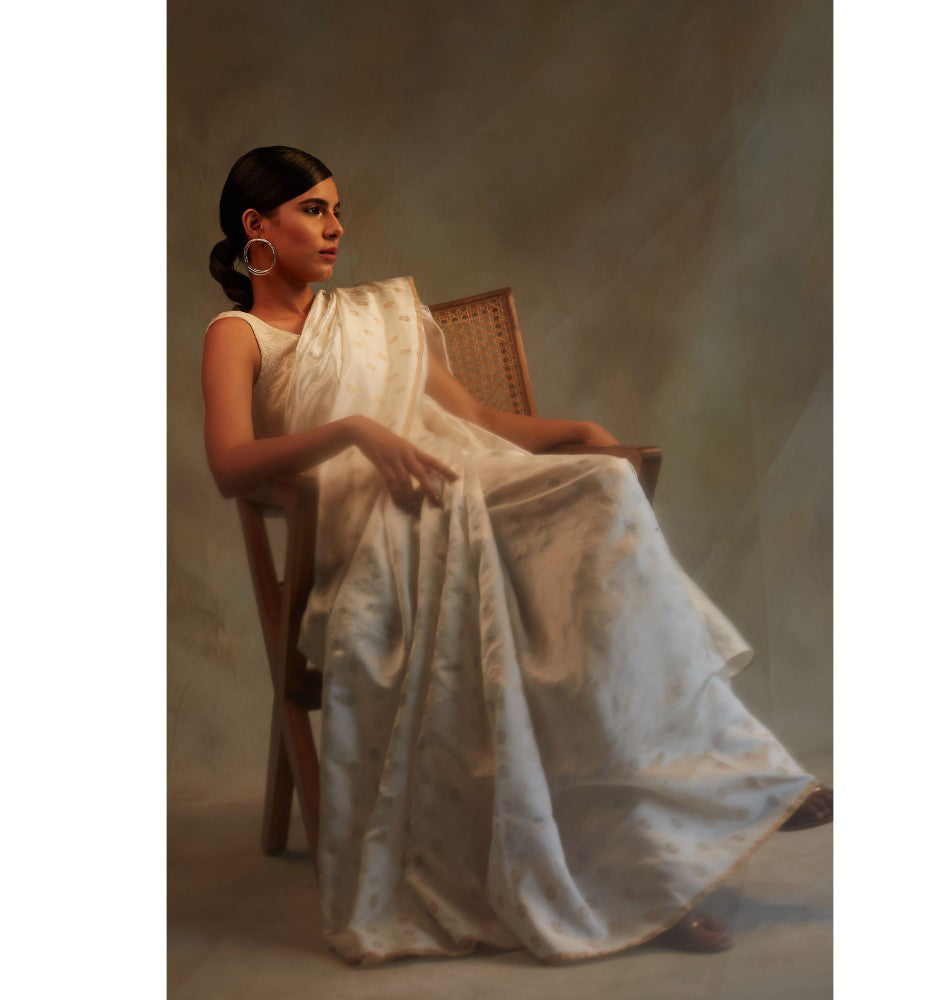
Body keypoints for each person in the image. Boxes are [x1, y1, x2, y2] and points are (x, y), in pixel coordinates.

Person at [202, 145, 832, 965]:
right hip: (370, 537)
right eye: (313, 209)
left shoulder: (380, 317)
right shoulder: (238, 335)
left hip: (463, 491)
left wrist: (577, 432)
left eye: (338, 209)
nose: (336, 227)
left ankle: (709, 807)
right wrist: (355, 430)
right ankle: (725, 797)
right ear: (257, 225)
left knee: (597, 500)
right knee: (571, 576)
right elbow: (231, 466)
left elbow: (477, 420)